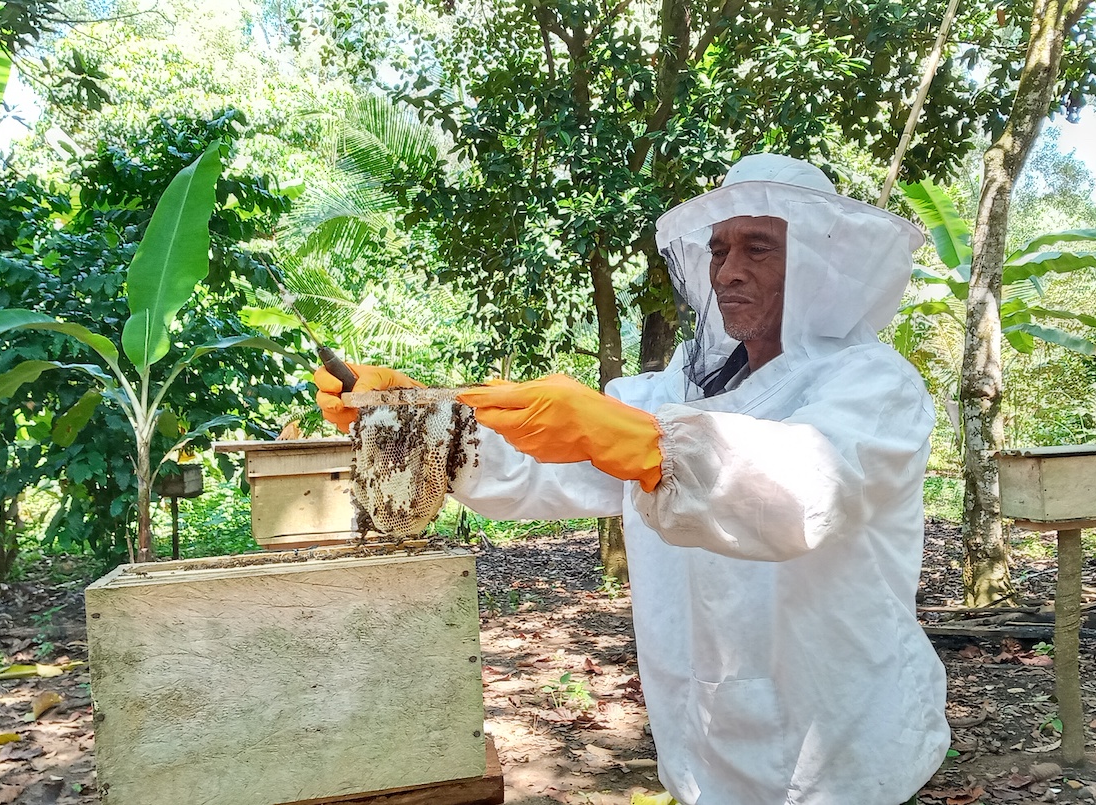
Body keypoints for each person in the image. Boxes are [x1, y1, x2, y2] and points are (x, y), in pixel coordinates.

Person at [313, 154, 949, 804]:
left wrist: (650, 447)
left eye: (758, 248)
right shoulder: (666, 393)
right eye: (719, 249)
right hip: (704, 748)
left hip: (844, 751)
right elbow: (540, 468)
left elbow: (808, 489)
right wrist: (421, 423)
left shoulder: (874, 385)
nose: (728, 270)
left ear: (819, 263)